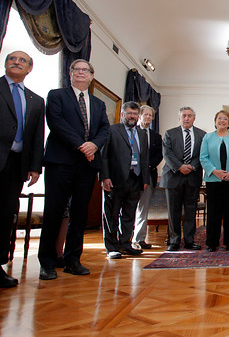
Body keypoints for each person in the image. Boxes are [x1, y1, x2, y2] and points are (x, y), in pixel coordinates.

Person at [38, 59, 110, 280]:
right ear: (70, 74)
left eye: (85, 70)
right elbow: (56, 123)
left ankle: (72, 259)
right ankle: (48, 262)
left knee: (79, 214)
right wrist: (82, 145)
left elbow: (104, 129)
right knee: (54, 211)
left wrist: (94, 145)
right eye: (76, 70)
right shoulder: (57, 95)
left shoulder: (98, 104)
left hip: (86, 166)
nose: (80, 73)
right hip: (60, 162)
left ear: (91, 75)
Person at [0, 51, 44, 288]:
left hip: (16, 165)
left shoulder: (35, 100)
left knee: (6, 214)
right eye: (12, 59)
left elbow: (37, 136)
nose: (16, 62)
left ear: (29, 69)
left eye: (22, 61)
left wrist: (35, 167)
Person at [100, 102, 150, 259]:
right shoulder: (112, 130)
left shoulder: (141, 133)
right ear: (122, 114)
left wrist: (145, 179)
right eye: (129, 113)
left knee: (129, 214)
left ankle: (125, 243)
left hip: (135, 179)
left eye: (135, 114)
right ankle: (111, 247)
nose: (132, 116)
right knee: (112, 214)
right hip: (115, 179)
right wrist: (104, 177)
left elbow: (144, 158)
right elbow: (104, 155)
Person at [160, 107, 206, 251]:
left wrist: (191, 166)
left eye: (189, 116)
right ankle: (174, 240)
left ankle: (189, 240)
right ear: (179, 118)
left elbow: (203, 155)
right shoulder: (170, 133)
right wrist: (180, 166)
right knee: (174, 211)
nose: (186, 118)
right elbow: (167, 153)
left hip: (192, 177)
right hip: (173, 177)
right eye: (184, 116)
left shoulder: (202, 135)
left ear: (194, 118)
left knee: (191, 211)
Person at [201, 110, 229, 251]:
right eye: (219, 118)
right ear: (215, 121)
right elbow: (203, 158)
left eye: (225, 119)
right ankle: (212, 243)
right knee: (213, 212)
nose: (222, 121)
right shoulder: (207, 138)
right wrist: (215, 171)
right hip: (213, 179)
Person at [133, 105, 163, 249]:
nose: (148, 117)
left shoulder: (156, 136)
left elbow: (159, 155)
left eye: (151, 115)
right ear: (139, 116)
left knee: (142, 210)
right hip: (131, 176)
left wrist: (147, 167)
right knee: (127, 208)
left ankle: (139, 239)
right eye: (146, 115)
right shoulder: (131, 132)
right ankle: (124, 239)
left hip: (148, 176)